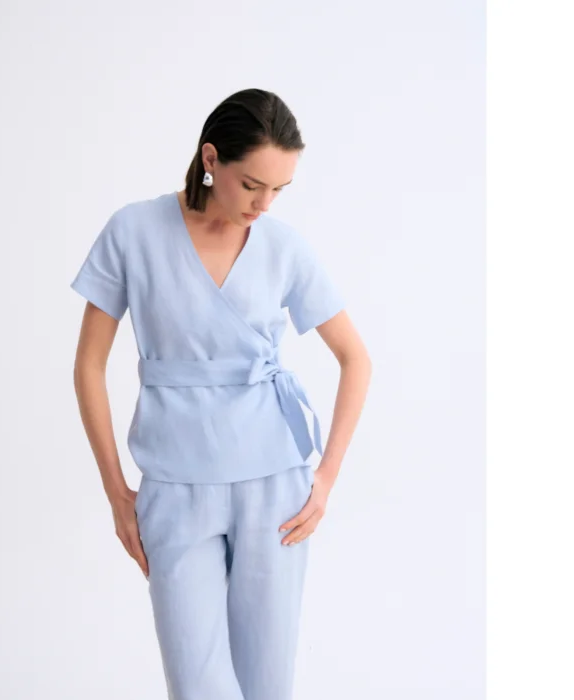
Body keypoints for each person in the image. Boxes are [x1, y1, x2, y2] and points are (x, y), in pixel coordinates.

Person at [70, 88, 372, 700]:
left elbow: (355, 359)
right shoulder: (134, 231)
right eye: (252, 184)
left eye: (279, 189)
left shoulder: (284, 246)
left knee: (267, 686)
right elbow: (88, 366)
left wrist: (325, 479)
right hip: (175, 486)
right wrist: (116, 492)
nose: (264, 203)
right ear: (211, 159)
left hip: (276, 490)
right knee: (197, 685)